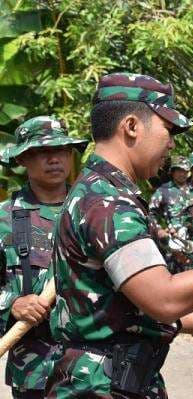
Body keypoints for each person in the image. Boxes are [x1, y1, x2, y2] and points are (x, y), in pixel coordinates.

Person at [44, 72, 193, 398]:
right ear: (131, 127)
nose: (172, 143)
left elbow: (125, 306)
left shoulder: (101, 192)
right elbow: (163, 298)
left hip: (115, 380)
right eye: (168, 129)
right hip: (103, 387)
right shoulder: (106, 202)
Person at [0, 116, 87, 399]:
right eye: (42, 152)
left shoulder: (94, 212)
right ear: (23, 158)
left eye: (62, 150)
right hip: (35, 372)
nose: (54, 159)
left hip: (94, 369)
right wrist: (12, 303)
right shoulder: (5, 219)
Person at [149, 155, 191, 273]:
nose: (182, 174)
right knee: (176, 276)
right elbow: (150, 213)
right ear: (172, 172)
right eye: (179, 170)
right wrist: (159, 229)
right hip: (174, 240)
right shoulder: (163, 191)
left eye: (185, 171)